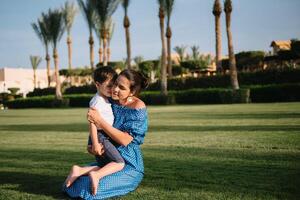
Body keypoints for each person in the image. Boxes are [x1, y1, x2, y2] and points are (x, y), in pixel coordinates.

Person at [63, 69, 149, 199]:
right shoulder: (109, 100)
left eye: (121, 87)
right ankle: (86, 173)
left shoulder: (138, 107)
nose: (115, 89)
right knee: (78, 181)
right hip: (107, 159)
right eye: (115, 84)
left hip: (129, 164)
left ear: (131, 92)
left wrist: (100, 121)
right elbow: (94, 121)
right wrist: (92, 144)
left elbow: (125, 140)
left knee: (89, 188)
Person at [64, 66, 125, 195]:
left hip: (100, 135)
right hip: (100, 136)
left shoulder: (105, 99)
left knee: (106, 165)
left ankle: (79, 171)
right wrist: (95, 143)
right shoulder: (97, 101)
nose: (112, 89)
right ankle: (96, 175)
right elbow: (92, 123)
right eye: (108, 86)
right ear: (97, 84)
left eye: (113, 85)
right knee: (119, 163)